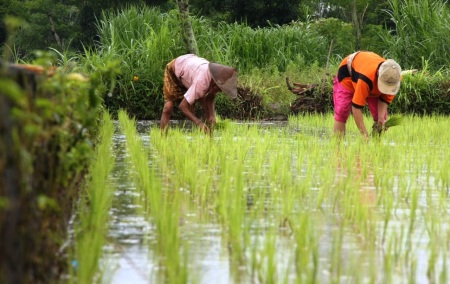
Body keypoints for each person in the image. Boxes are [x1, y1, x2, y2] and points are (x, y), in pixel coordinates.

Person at [160, 54, 238, 133]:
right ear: (216, 84)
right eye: (219, 89)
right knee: (168, 107)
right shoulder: (202, 82)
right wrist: (199, 123)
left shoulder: (215, 80)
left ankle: (210, 138)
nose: (219, 91)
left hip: (190, 72)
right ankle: (163, 139)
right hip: (175, 69)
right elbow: (183, 106)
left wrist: (212, 116)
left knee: (206, 109)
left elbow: (210, 98)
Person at [333, 51, 401, 138]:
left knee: (381, 120)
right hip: (348, 73)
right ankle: (338, 146)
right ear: (378, 76)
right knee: (342, 110)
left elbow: (384, 99)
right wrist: (364, 134)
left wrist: (380, 118)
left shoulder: (394, 77)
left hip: (369, 75)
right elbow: (356, 108)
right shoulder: (366, 79)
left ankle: (376, 146)